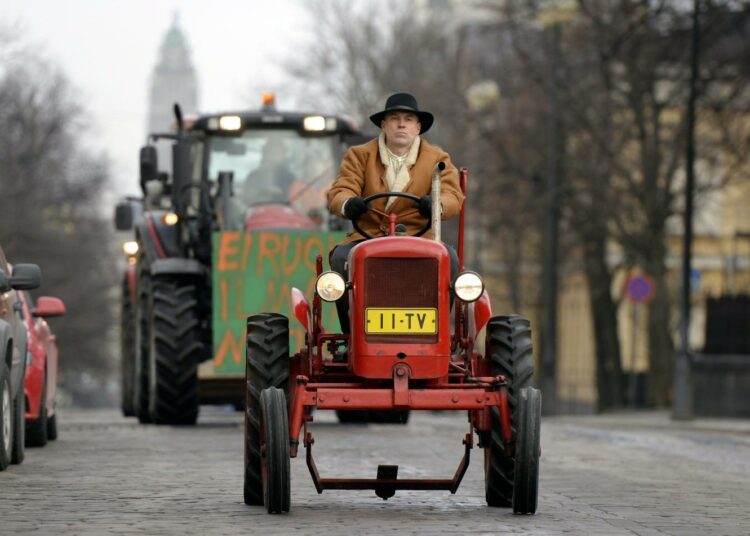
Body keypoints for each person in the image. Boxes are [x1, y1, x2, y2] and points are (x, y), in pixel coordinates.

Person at [327, 92, 464, 332]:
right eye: (394, 118)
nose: (402, 124)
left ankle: (439, 331)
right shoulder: (360, 155)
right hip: (367, 237)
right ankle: (351, 333)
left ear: (418, 127)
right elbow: (340, 191)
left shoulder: (438, 159)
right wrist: (350, 204)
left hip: (419, 238)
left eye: (409, 119)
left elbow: (453, 196)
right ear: (383, 124)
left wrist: (435, 204)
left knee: (449, 259)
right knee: (340, 258)